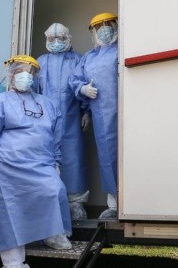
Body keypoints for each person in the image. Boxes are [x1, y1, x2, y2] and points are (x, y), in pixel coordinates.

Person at [0, 55, 72, 268]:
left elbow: (56, 135)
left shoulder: (47, 104)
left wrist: (56, 162)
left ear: (35, 76)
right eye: (20, 72)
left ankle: (52, 234)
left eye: (30, 72)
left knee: (54, 191)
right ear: (11, 75)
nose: (25, 76)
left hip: (41, 165)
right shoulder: (0, 102)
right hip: (7, 167)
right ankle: (13, 262)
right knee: (9, 212)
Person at [36, 23, 91, 220]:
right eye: (51, 39)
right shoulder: (40, 62)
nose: (56, 42)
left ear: (69, 38)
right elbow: (33, 92)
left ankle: (76, 204)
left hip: (71, 119)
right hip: (45, 122)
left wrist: (87, 112)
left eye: (60, 38)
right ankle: (49, 203)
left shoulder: (78, 59)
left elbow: (84, 85)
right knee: (45, 160)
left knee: (73, 158)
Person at [69, 13, 119, 219]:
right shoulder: (88, 57)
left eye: (107, 26)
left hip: (128, 112)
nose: (103, 31)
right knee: (108, 156)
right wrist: (83, 91)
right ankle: (114, 204)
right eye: (98, 28)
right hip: (102, 115)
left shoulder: (124, 49)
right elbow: (75, 80)